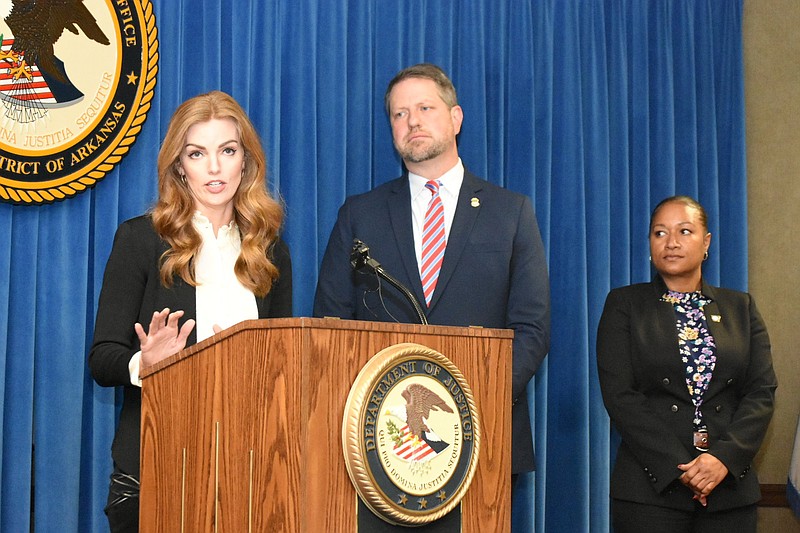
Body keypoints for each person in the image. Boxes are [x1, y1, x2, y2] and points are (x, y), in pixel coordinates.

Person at [313, 64, 550, 486]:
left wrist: (470, 402)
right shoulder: (359, 215)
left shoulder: (510, 213)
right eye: (399, 114)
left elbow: (531, 327)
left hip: (484, 435)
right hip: (377, 443)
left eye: (425, 107)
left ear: (455, 118)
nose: (413, 121)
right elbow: (330, 326)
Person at [88, 91, 293, 532]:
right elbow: (102, 358)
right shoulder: (140, 240)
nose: (215, 168)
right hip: (159, 463)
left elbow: (283, 362)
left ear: (246, 161)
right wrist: (147, 363)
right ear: (180, 166)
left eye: (228, 151)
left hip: (250, 464)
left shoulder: (269, 250)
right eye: (198, 153)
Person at [596, 195, 777, 532]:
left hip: (729, 492)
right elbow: (620, 395)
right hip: (650, 491)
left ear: (706, 242)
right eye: (660, 233)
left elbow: (761, 392)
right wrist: (681, 469)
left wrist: (723, 459)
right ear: (649, 243)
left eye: (685, 231)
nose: (672, 243)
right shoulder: (624, 304)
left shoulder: (741, 307)